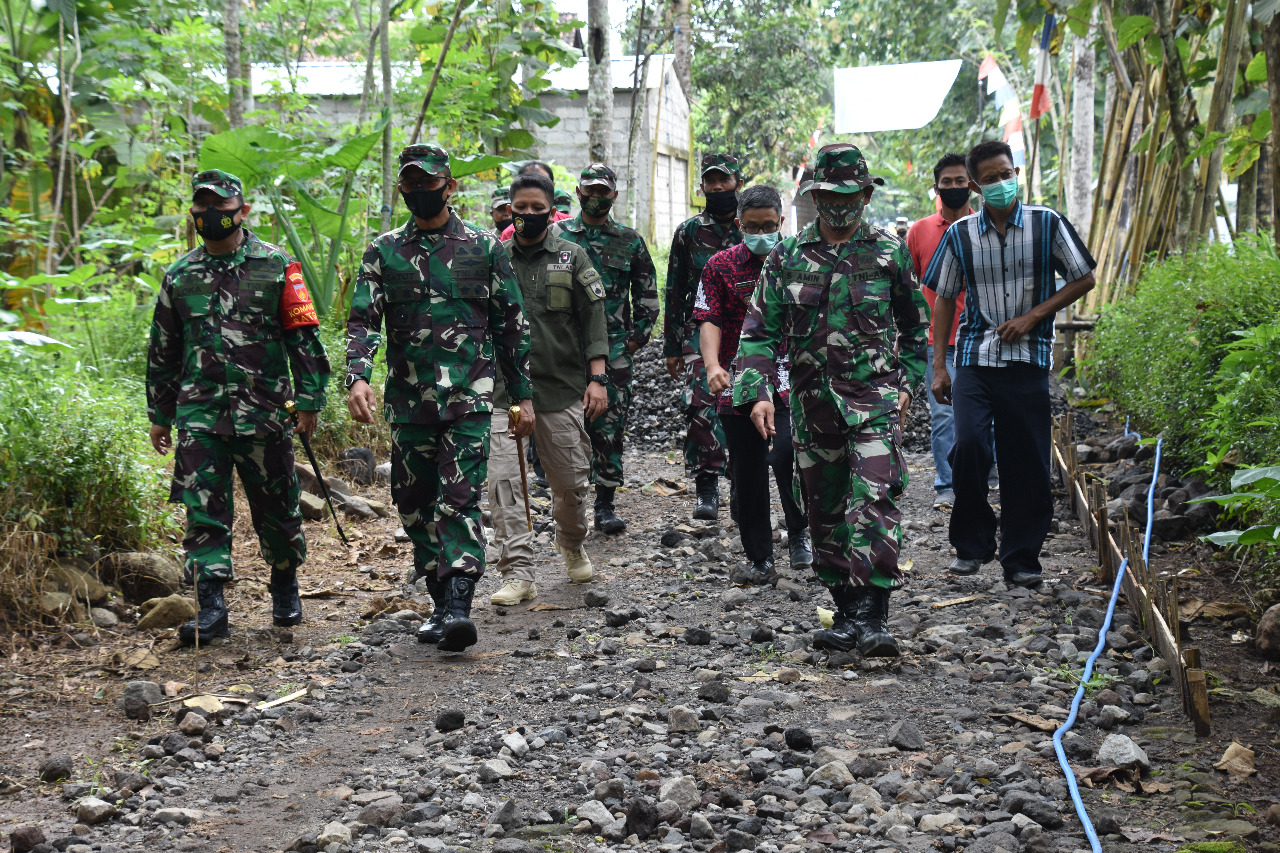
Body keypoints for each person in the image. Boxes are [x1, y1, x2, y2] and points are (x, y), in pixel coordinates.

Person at [734, 143, 927, 657]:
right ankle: (844, 611)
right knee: (823, 507)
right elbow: (757, 333)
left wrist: (907, 385)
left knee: (875, 498)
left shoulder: (889, 252)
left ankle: (874, 614)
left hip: (875, 402)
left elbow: (916, 330)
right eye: (828, 195)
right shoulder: (787, 257)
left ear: (866, 194)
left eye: (850, 195)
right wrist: (756, 394)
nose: (839, 205)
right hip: (812, 405)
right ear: (814, 195)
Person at [346, 144, 533, 651]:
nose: (421, 192)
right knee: (412, 501)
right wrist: (357, 376)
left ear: (449, 186)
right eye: (412, 184)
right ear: (402, 189)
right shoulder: (382, 252)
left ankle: (456, 605)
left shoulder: (484, 247)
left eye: (430, 183)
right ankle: (436, 595)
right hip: (410, 402)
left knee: (458, 497)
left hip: (470, 398)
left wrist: (523, 398)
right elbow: (363, 320)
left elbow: (511, 326)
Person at [147, 169, 330, 644]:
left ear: (243, 211)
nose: (210, 217)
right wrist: (158, 414)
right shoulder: (181, 274)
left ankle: (285, 584)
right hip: (199, 414)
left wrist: (309, 400)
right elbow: (163, 349)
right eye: (202, 208)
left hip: (265, 411)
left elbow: (303, 339)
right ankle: (211, 607)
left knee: (277, 507)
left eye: (221, 209)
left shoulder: (276, 265)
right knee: (202, 509)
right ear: (193, 213)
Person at [924, 139, 1096, 588]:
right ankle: (972, 544)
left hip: (1028, 360)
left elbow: (1084, 277)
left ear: (1016, 172)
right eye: (992, 178)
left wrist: (1034, 315)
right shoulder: (960, 235)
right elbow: (944, 298)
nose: (1001, 183)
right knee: (970, 448)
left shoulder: (1047, 223)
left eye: (1007, 174)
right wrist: (940, 365)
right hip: (975, 358)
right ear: (977, 185)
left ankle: (1021, 557)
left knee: (1026, 461)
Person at [488, 171, 609, 606]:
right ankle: (518, 572)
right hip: (503, 393)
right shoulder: (494, 258)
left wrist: (597, 378)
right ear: (510, 209)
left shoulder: (572, 257)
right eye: (520, 209)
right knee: (504, 484)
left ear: (551, 210)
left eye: (538, 209)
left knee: (571, 483)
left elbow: (593, 319)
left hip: (561, 389)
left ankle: (571, 542)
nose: (529, 216)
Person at [694, 185, 811, 585]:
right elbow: (707, 316)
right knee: (747, 470)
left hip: (791, 377)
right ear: (740, 225)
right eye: (753, 226)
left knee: (787, 457)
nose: (762, 232)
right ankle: (759, 556)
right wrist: (711, 365)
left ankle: (799, 532)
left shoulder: (799, 259)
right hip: (737, 379)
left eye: (769, 225)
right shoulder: (720, 265)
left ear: (781, 222)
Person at [553, 163, 659, 534]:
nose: (596, 198)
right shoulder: (557, 235)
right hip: (562, 351)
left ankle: (606, 504)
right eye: (590, 191)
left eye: (603, 192)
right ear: (578, 192)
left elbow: (647, 300)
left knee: (609, 429)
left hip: (613, 352)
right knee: (564, 427)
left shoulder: (629, 241)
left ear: (614, 195)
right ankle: (569, 505)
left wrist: (629, 344)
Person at [663, 153, 744, 519]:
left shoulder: (755, 227)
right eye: (710, 182)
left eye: (722, 181)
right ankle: (706, 487)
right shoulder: (689, 232)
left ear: (737, 184)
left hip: (748, 330)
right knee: (700, 405)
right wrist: (672, 346)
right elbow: (675, 290)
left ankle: (742, 485)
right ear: (702, 188)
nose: (716, 188)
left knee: (747, 401)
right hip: (699, 332)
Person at [906, 152, 981, 509]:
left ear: (973, 185)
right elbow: (912, 285)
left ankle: (987, 478)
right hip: (939, 341)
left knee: (984, 413)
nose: (954, 187)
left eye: (960, 181)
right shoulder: (919, 231)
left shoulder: (985, 225)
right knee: (944, 415)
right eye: (946, 182)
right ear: (937, 187)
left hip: (982, 338)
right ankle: (946, 484)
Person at [498, 161, 572, 240]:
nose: (529, 212)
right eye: (521, 207)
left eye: (543, 182)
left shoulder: (571, 228)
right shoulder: (508, 234)